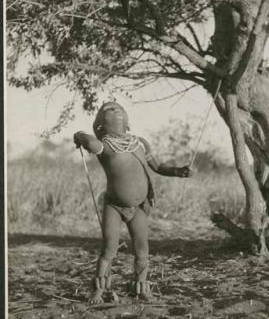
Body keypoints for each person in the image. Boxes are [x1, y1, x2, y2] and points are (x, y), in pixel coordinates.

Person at [74, 101, 191, 303]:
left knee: (142, 248)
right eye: (108, 109)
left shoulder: (141, 143)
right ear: (101, 123)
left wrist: (177, 171)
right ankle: (100, 290)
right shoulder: (104, 146)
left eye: (118, 107)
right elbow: (91, 143)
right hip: (114, 205)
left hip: (139, 207)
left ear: (128, 121)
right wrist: (79, 135)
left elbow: (157, 166)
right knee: (109, 248)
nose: (114, 108)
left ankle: (140, 287)